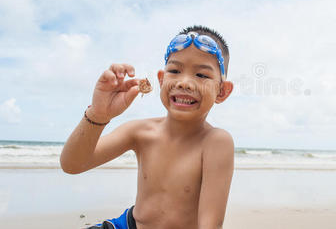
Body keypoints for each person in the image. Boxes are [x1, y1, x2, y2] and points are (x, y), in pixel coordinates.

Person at [60, 26, 235, 229]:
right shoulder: (140, 132)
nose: (185, 82)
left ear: (222, 91)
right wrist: (98, 114)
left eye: (202, 75)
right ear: (161, 80)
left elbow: (210, 225)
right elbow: (72, 164)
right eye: (175, 71)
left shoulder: (215, 142)